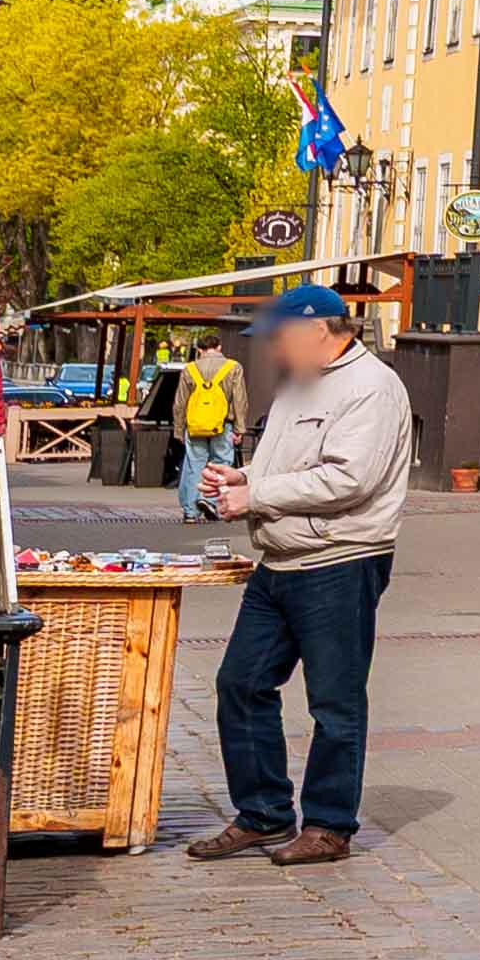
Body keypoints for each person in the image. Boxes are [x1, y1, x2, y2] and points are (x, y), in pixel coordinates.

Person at [189, 281, 409, 864]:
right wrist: (242, 479)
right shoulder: (301, 385)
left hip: (339, 559)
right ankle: (263, 812)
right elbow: (285, 465)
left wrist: (256, 494)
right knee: (241, 682)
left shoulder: (372, 389)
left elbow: (348, 479)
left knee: (334, 701)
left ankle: (330, 824)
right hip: (281, 559)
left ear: (319, 331)